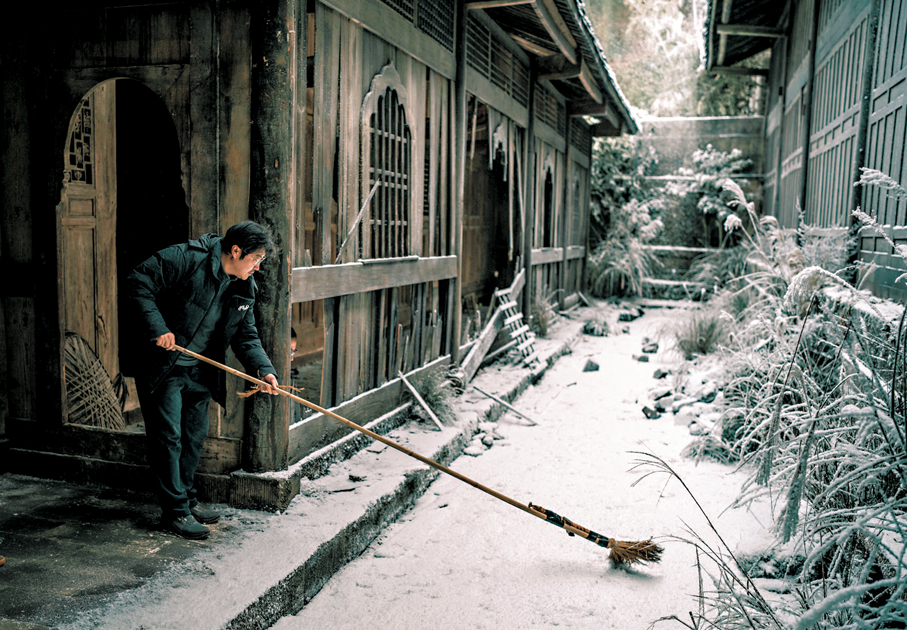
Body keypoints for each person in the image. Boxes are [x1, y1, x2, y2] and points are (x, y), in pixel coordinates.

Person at [126, 221, 280, 540]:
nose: (257, 266)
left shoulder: (243, 287)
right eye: (256, 259)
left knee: (195, 435)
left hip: (199, 369)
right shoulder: (186, 258)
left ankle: (187, 500)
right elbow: (138, 280)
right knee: (169, 436)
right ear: (236, 251)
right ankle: (176, 512)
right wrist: (158, 328)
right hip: (164, 365)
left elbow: (246, 335)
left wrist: (264, 370)